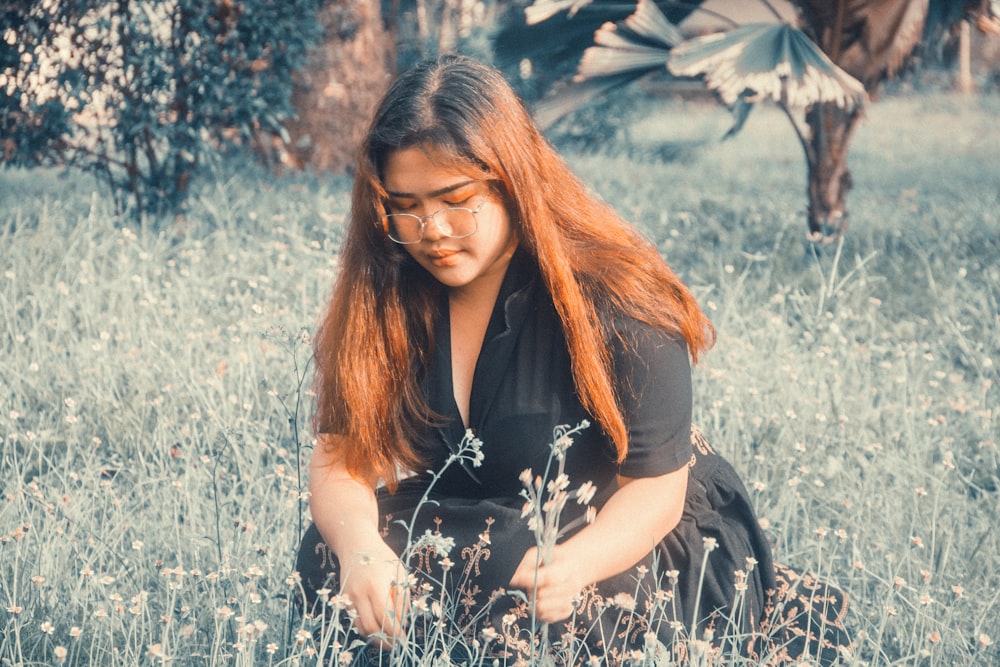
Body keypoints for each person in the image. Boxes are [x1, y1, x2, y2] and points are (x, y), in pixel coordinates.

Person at [295, 54, 850, 665]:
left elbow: (657, 490)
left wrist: (575, 566)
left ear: (513, 181)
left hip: (620, 534)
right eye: (406, 204)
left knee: (516, 620)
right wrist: (361, 552)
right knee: (329, 558)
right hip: (488, 526)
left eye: (456, 199)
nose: (431, 228)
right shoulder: (387, 296)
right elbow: (340, 458)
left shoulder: (617, 298)